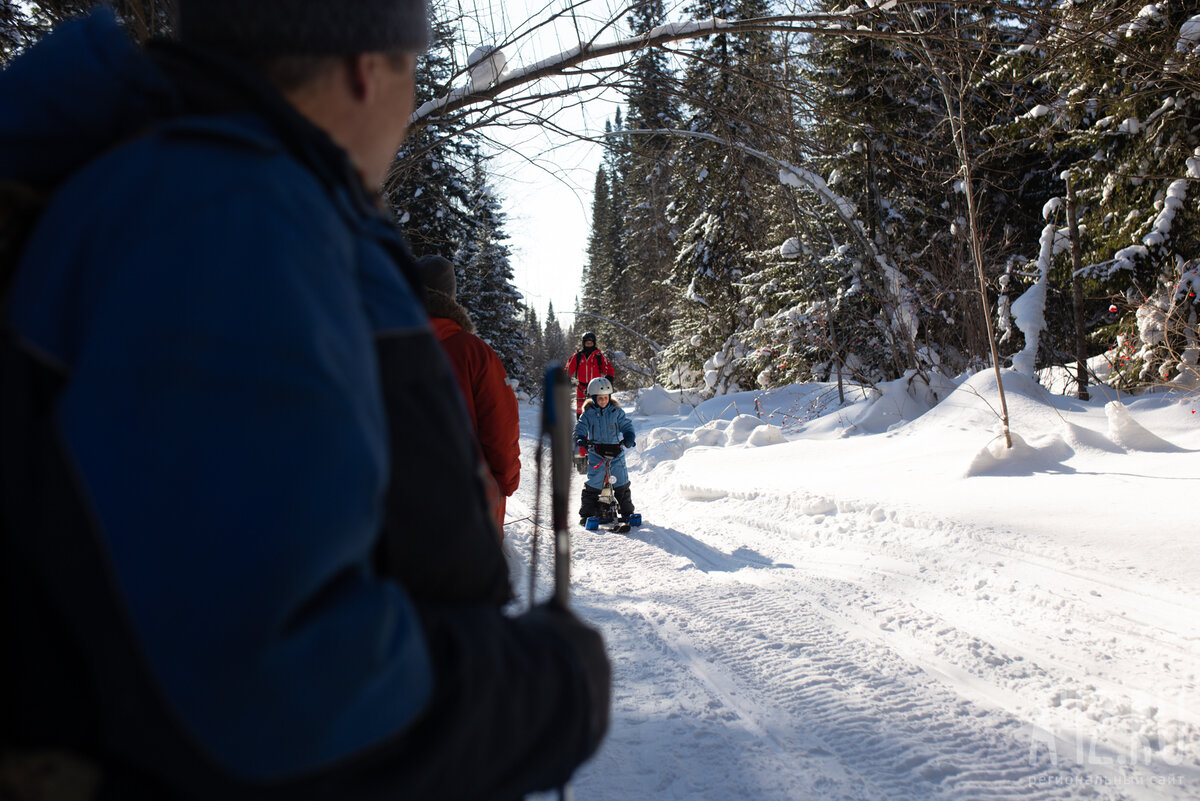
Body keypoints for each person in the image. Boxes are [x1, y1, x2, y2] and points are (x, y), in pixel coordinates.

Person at [0, 4, 608, 800]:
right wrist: (547, 691)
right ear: (367, 65)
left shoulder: (223, 199)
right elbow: (275, 691)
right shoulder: (227, 220)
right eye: (413, 63)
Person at [413, 254, 520, 535]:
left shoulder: (380, 347)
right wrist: (505, 483)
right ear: (450, 297)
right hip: (469, 507)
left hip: (400, 509)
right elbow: (501, 426)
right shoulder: (474, 352)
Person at [574, 377, 637, 526]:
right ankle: (587, 514)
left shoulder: (616, 412)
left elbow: (627, 426)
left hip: (616, 452)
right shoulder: (588, 414)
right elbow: (580, 427)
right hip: (596, 452)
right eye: (600, 398)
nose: (603, 401)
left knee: (621, 481)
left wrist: (629, 437)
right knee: (595, 481)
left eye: (606, 398)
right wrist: (580, 437)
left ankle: (627, 512)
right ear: (593, 398)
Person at [565, 331, 614, 472]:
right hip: (581, 388)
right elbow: (569, 368)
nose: (589, 344)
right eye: (586, 342)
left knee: (597, 417)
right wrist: (566, 378)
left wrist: (610, 378)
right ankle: (582, 451)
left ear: (594, 343)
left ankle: (599, 450)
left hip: (597, 389)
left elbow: (608, 368)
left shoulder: (600, 356)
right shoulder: (577, 356)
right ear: (583, 343)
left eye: (591, 342)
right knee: (582, 418)